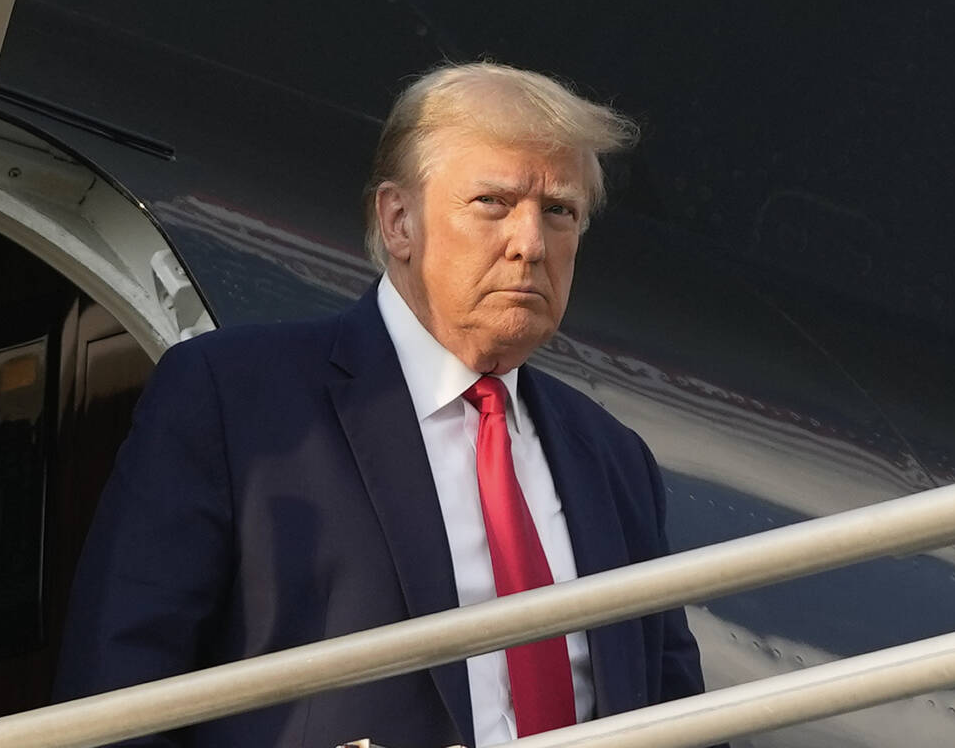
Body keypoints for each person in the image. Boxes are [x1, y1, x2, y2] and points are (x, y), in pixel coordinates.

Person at [55, 62, 712, 748]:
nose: (530, 244)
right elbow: (113, 698)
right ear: (399, 220)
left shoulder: (611, 459)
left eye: (560, 212)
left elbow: (682, 718)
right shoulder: (234, 397)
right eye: (493, 202)